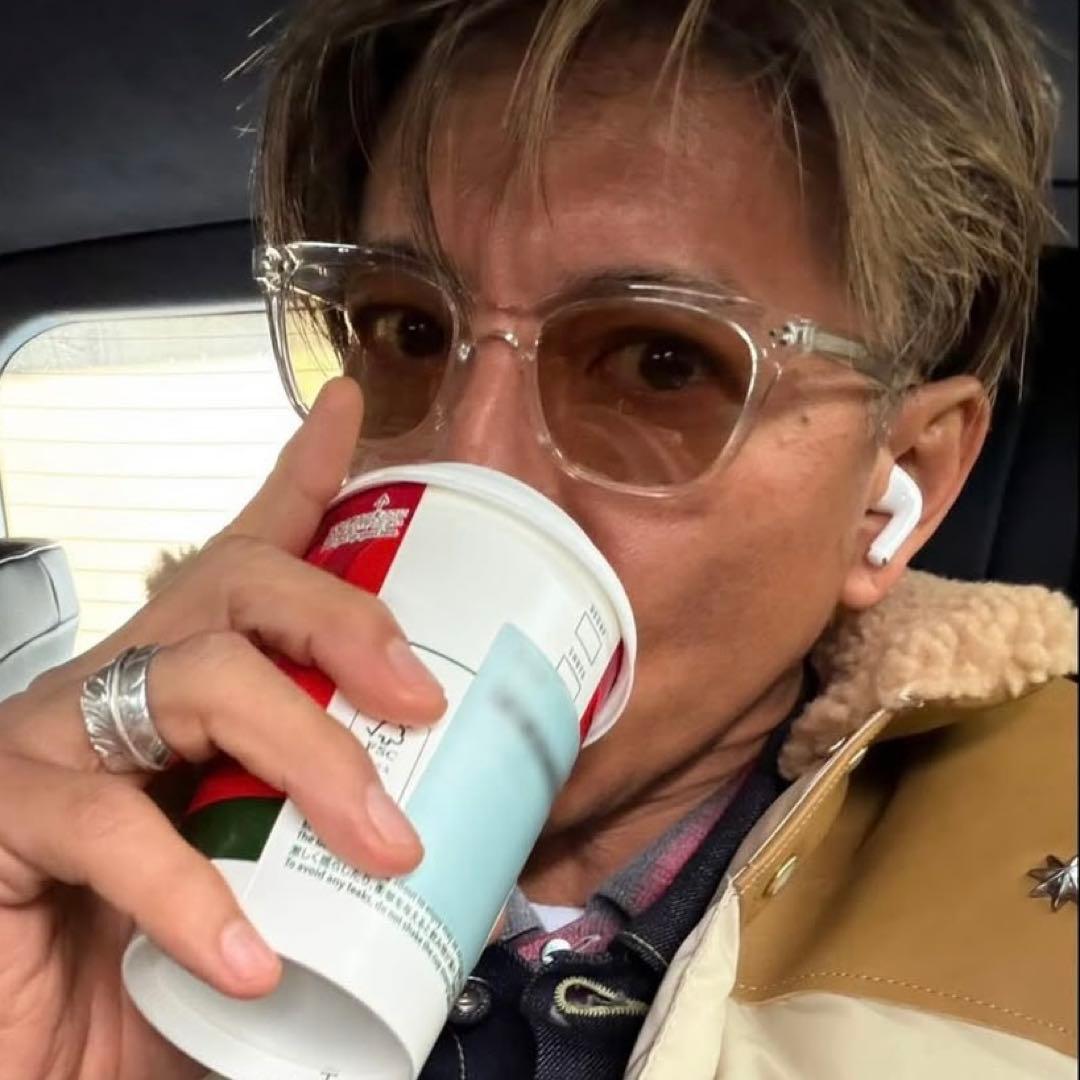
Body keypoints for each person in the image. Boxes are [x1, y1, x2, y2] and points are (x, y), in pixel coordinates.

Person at [1, 1, 1076, 1077]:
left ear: (898, 486)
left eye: (659, 363)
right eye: (407, 330)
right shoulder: (122, 834)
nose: (475, 461)